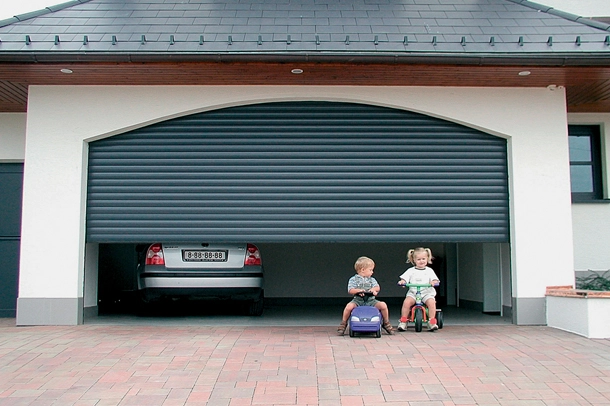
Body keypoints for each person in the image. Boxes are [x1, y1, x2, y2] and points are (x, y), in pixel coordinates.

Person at [337, 256, 394, 335]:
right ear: (363, 270)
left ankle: (386, 322)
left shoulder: (372, 279)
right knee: (349, 306)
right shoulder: (353, 279)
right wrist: (359, 290)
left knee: (383, 305)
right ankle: (343, 323)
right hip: (358, 300)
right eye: (370, 270)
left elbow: (377, 287)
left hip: (371, 301)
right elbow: (350, 290)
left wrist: (374, 290)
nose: (372, 272)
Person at [397, 247, 440, 332]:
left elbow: (435, 280)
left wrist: (433, 282)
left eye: (423, 259)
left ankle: (431, 321)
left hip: (426, 293)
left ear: (427, 259)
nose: (421, 261)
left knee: (431, 302)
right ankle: (403, 321)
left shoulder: (429, 271)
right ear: (414, 260)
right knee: (406, 302)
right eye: (419, 259)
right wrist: (402, 282)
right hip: (413, 293)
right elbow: (404, 279)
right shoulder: (411, 271)